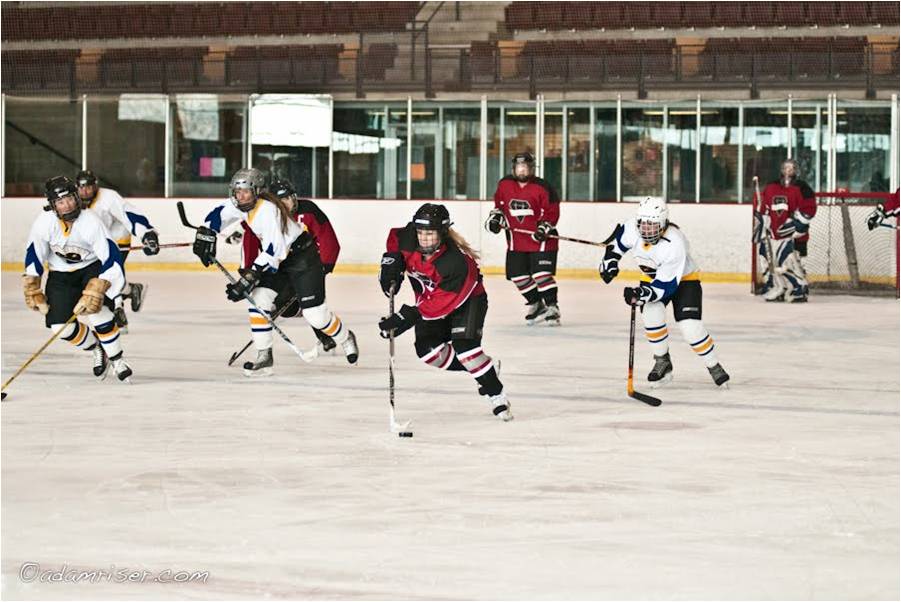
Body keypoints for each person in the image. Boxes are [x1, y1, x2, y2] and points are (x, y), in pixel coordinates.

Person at [192, 168, 358, 376]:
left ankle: (345, 337)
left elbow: (274, 250)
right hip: (280, 261)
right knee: (259, 299)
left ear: (257, 191)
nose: (240, 196)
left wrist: (250, 277)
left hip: (302, 259)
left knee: (315, 315)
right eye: (236, 191)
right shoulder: (243, 204)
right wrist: (206, 233)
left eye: (245, 191)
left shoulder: (268, 211)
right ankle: (264, 356)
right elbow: (219, 214)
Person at [378, 203, 513, 421]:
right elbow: (395, 238)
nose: (424, 238)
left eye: (430, 234)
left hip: (468, 302)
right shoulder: (409, 238)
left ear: (442, 233)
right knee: (428, 352)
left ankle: (496, 393)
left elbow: (441, 303)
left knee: (466, 350)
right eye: (420, 232)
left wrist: (406, 317)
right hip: (430, 303)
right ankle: (485, 368)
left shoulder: (455, 262)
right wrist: (391, 263)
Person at [599, 197, 729, 388]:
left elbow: (665, 286)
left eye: (652, 226)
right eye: (643, 224)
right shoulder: (631, 229)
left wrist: (641, 294)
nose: (646, 230)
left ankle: (713, 365)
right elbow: (615, 247)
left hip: (685, 282)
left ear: (664, 223)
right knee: (652, 316)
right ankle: (663, 363)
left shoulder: (675, 243)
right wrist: (609, 263)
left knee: (690, 328)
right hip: (651, 280)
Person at [23, 176, 132, 382]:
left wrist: (100, 284)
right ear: (52, 205)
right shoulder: (44, 223)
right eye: (61, 202)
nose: (68, 205)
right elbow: (34, 254)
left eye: (71, 199)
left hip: (90, 268)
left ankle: (117, 359)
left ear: (76, 197)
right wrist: (32, 285)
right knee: (60, 327)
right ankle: (97, 348)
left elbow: (111, 257)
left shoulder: (91, 221)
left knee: (97, 312)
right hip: (60, 275)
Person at [232, 179, 342, 355]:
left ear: (295, 197)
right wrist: (247, 271)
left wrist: (325, 264)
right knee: (285, 305)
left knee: (310, 304)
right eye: (279, 201)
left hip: (307, 263)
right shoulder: (267, 215)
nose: (286, 204)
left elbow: (327, 236)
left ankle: (325, 335)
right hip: (279, 267)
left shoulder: (308, 210)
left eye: (288, 198)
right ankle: (319, 328)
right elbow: (249, 237)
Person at [75, 169, 159, 332]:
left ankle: (117, 313)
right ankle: (131, 290)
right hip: (95, 245)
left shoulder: (109, 197)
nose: (85, 191)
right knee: (98, 278)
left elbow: (130, 215)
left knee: (106, 276)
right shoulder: (74, 201)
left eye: (88, 187)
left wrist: (146, 233)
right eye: (81, 187)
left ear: (95, 186)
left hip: (117, 242)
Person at [485, 152, 562, 325]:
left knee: (541, 275)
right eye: (519, 167)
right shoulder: (504, 185)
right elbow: (499, 206)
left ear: (531, 169)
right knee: (517, 276)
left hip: (542, 241)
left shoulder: (543, 187)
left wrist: (543, 227)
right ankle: (537, 304)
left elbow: (551, 213)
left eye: (525, 167)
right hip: (516, 241)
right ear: (513, 168)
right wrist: (496, 219)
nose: (522, 170)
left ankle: (552, 307)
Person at [754, 158, 817, 302]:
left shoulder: (803, 187)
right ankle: (777, 286)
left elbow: (809, 209)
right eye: (785, 168)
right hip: (774, 234)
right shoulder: (772, 187)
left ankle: (798, 288)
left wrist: (796, 226)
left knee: (788, 260)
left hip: (794, 235)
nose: (788, 171)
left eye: (791, 168)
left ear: (796, 171)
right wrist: (762, 226)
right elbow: (764, 209)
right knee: (767, 258)